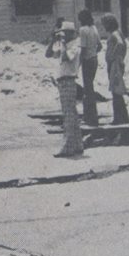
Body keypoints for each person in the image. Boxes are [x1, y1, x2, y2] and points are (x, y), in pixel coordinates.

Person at [48, 21, 84, 157]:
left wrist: (62, 43)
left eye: (64, 33)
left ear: (70, 33)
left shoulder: (75, 46)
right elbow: (49, 54)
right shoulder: (66, 44)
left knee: (68, 115)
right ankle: (78, 144)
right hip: (63, 81)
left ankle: (68, 146)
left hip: (69, 79)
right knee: (71, 114)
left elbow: (65, 57)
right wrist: (52, 40)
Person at [101, 14, 129, 125]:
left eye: (105, 24)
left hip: (115, 65)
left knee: (116, 91)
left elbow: (120, 43)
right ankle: (122, 117)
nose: (104, 26)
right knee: (116, 91)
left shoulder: (114, 34)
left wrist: (113, 56)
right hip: (116, 63)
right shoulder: (118, 32)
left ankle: (119, 118)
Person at [78, 9, 101, 126]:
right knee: (90, 88)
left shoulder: (83, 30)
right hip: (94, 59)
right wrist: (93, 53)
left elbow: (82, 49)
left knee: (87, 90)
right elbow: (100, 46)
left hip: (87, 61)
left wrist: (78, 64)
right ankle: (93, 115)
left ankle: (89, 116)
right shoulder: (94, 28)